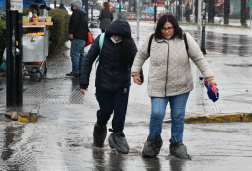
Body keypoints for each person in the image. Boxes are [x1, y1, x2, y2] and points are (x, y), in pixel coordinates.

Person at [131, 14, 217, 159]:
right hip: (158, 87)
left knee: (177, 116)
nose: (166, 31)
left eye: (169, 28)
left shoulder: (185, 39)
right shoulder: (152, 39)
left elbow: (199, 58)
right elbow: (140, 56)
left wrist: (210, 78)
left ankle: (177, 144)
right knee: (157, 114)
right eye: (163, 28)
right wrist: (135, 72)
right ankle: (153, 142)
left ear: (175, 27)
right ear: (159, 28)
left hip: (181, 87)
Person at [79, 19, 137, 154]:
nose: (117, 38)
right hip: (103, 84)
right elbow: (88, 61)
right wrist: (83, 82)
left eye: (120, 36)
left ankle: (117, 136)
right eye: (115, 35)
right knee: (105, 112)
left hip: (122, 84)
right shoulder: (101, 39)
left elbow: (136, 60)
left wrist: (138, 75)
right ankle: (99, 129)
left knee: (120, 113)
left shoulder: (129, 42)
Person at [66, 0, 88, 77]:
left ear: (75, 6)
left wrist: (71, 33)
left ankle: (75, 71)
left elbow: (74, 23)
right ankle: (81, 70)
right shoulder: (82, 13)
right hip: (83, 38)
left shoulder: (76, 12)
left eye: (72, 5)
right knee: (81, 55)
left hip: (77, 37)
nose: (72, 7)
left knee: (75, 54)